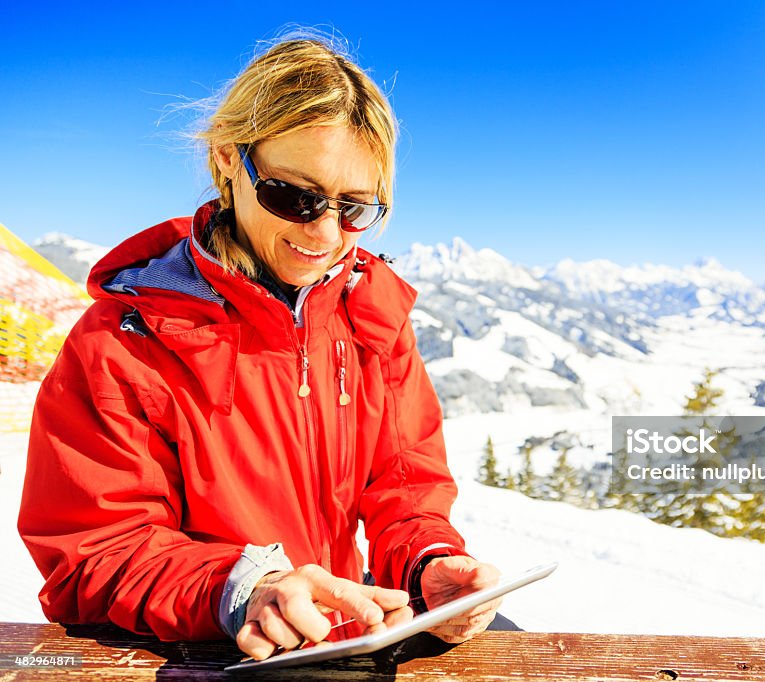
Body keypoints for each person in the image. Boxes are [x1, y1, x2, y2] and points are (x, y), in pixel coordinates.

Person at [18, 34, 506, 661]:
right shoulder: (123, 343)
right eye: (294, 197)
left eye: (355, 208)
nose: (327, 234)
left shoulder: (373, 316)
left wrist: (426, 563)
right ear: (228, 159)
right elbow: (95, 547)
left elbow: (403, 483)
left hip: (340, 638)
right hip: (204, 653)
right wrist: (246, 590)